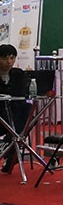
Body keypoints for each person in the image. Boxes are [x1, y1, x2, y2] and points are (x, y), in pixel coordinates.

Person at [0, 44, 29, 175]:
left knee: (28, 110)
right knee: (21, 117)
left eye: (12, 58)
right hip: (2, 113)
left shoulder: (19, 74)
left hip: (14, 112)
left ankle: (7, 144)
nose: (9, 62)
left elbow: (22, 94)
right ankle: (10, 149)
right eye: (4, 58)